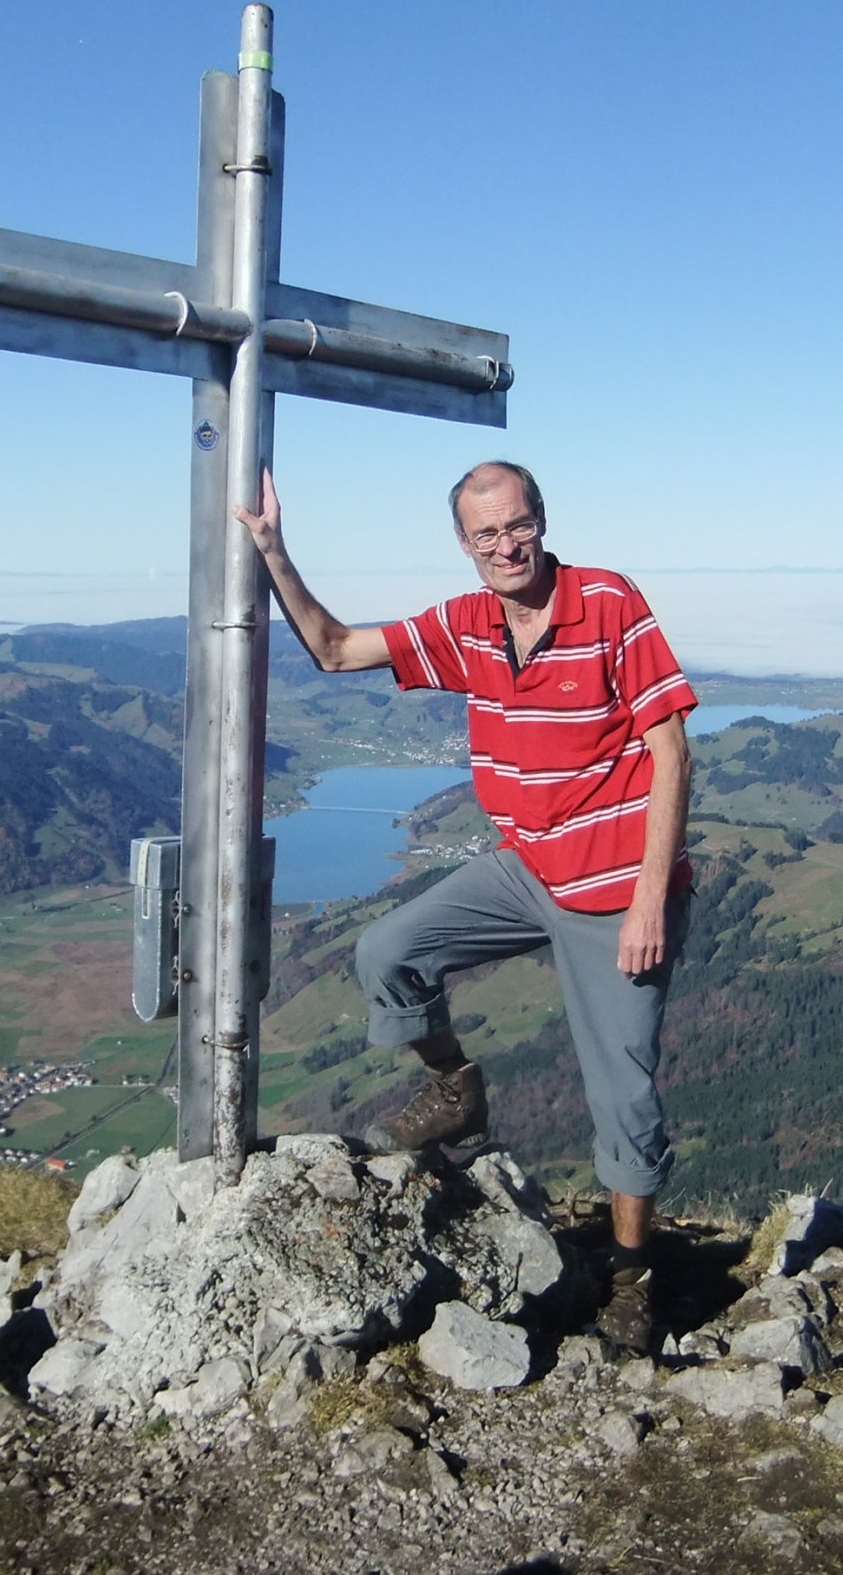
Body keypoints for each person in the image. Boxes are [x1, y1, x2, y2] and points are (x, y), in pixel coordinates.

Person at [233, 459, 695, 1350]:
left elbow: (671, 751)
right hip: (529, 869)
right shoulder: (468, 623)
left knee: (624, 1096)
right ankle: (456, 1088)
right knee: (387, 952)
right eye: (486, 533)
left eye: (517, 526)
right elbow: (335, 650)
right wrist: (274, 552)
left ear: (542, 521)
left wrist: (649, 901)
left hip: (614, 892)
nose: (505, 546)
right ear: (463, 542)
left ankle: (633, 1278)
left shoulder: (607, 602)